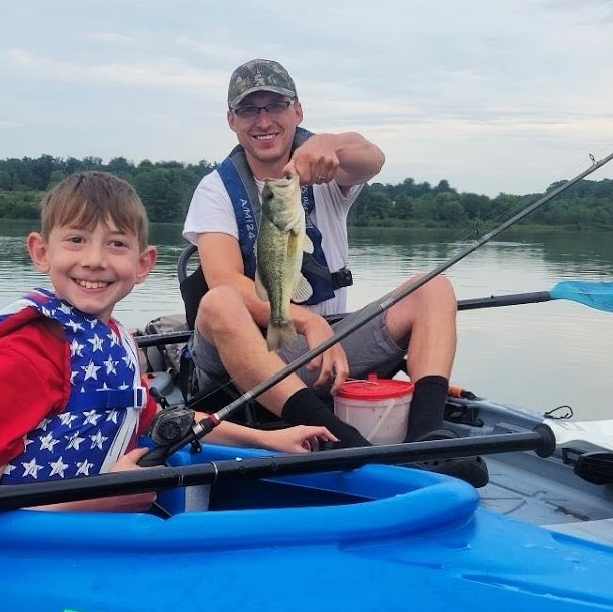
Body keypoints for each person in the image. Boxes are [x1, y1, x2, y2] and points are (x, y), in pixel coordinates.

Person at [0, 171, 336, 512]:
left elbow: (155, 420)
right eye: (76, 240)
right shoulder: (18, 359)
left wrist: (268, 440)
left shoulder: (112, 339)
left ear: (143, 263)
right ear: (41, 252)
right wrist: (98, 499)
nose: (95, 259)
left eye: (116, 244)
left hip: (99, 530)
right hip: (28, 558)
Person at [181, 58, 488, 487]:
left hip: (331, 348)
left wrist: (331, 142)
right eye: (250, 110)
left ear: (298, 111)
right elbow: (223, 280)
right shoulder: (216, 190)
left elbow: (373, 158)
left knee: (433, 287)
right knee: (218, 303)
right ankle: (339, 437)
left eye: (276, 106)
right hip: (248, 353)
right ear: (232, 120)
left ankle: (427, 439)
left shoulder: (327, 168)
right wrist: (306, 320)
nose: (263, 120)